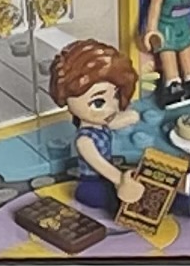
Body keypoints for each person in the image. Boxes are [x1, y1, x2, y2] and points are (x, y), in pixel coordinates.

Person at [46, 39, 151, 218]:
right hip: (92, 184)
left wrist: (130, 117)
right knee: (122, 202)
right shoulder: (84, 141)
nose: (111, 107)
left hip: (107, 178)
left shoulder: (102, 122)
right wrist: (120, 181)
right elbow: (99, 164)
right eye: (98, 102)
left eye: (116, 96)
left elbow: (114, 122)